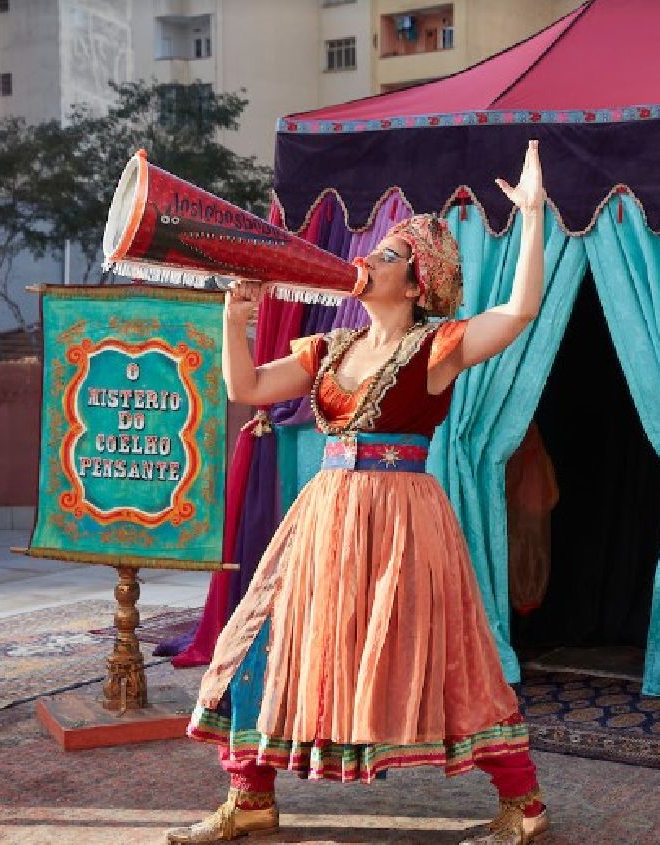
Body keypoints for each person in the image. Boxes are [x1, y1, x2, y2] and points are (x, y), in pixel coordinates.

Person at [164, 141, 551, 845]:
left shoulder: (438, 348)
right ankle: (249, 792)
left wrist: (531, 217)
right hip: (324, 515)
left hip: (404, 521)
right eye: (373, 248)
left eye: (390, 254)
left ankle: (523, 804)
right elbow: (245, 388)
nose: (368, 258)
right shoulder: (329, 349)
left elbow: (522, 309)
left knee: (445, 655)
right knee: (264, 639)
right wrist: (235, 318)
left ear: (417, 283)